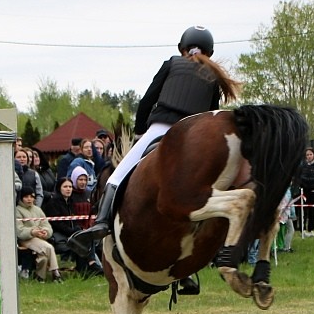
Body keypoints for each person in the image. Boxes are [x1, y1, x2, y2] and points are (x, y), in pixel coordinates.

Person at [70, 26, 240, 257]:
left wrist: (141, 132)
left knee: (118, 175)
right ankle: (193, 263)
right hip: (191, 139)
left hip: (161, 127)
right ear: (209, 52)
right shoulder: (213, 77)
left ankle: (101, 224)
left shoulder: (172, 63)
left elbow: (147, 101)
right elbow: (210, 118)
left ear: (182, 48)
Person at [44, 177, 102, 276]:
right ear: (59, 188)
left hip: (71, 233)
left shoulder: (70, 202)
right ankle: (92, 265)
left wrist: (77, 228)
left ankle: (89, 266)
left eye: (70, 187)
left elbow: (73, 220)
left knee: (87, 236)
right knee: (81, 240)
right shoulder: (53, 203)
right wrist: (72, 230)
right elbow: (57, 224)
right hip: (59, 236)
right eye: (65, 186)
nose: (68, 189)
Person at [15, 187, 62, 283]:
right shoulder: (17, 210)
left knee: (43, 257)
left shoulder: (38, 210)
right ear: (21, 198)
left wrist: (45, 232)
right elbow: (19, 231)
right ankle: (55, 272)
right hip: (26, 240)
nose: (29, 199)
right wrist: (32, 232)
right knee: (49, 248)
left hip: (40, 238)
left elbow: (46, 225)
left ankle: (40, 277)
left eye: (31, 197)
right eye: (26, 197)